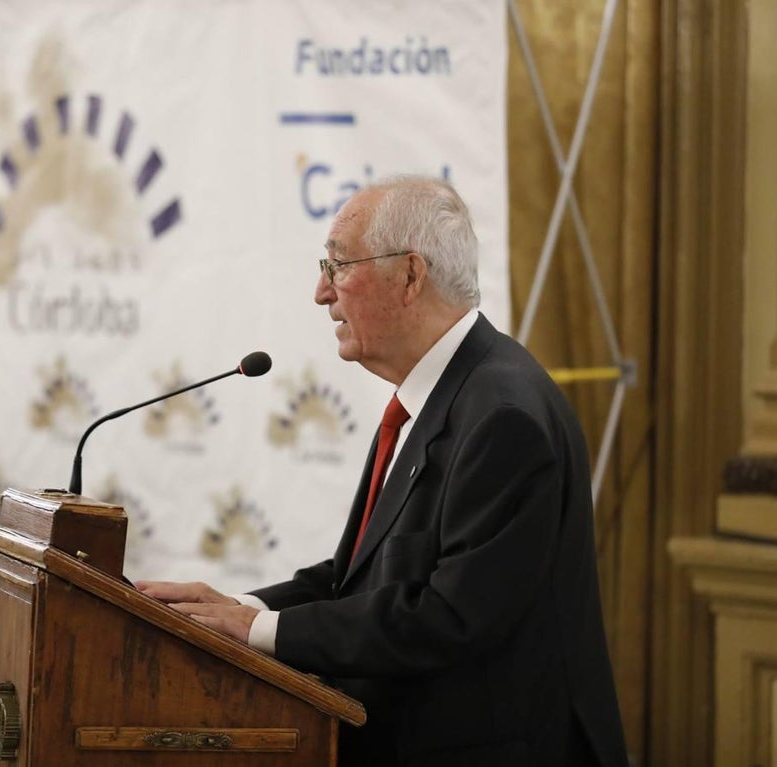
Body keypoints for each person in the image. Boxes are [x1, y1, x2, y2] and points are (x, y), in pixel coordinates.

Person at [137, 176, 628, 766]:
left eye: (337, 265)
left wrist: (258, 631)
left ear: (411, 277)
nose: (321, 292)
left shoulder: (504, 417)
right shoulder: (435, 396)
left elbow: (449, 616)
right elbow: (359, 581)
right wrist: (235, 609)